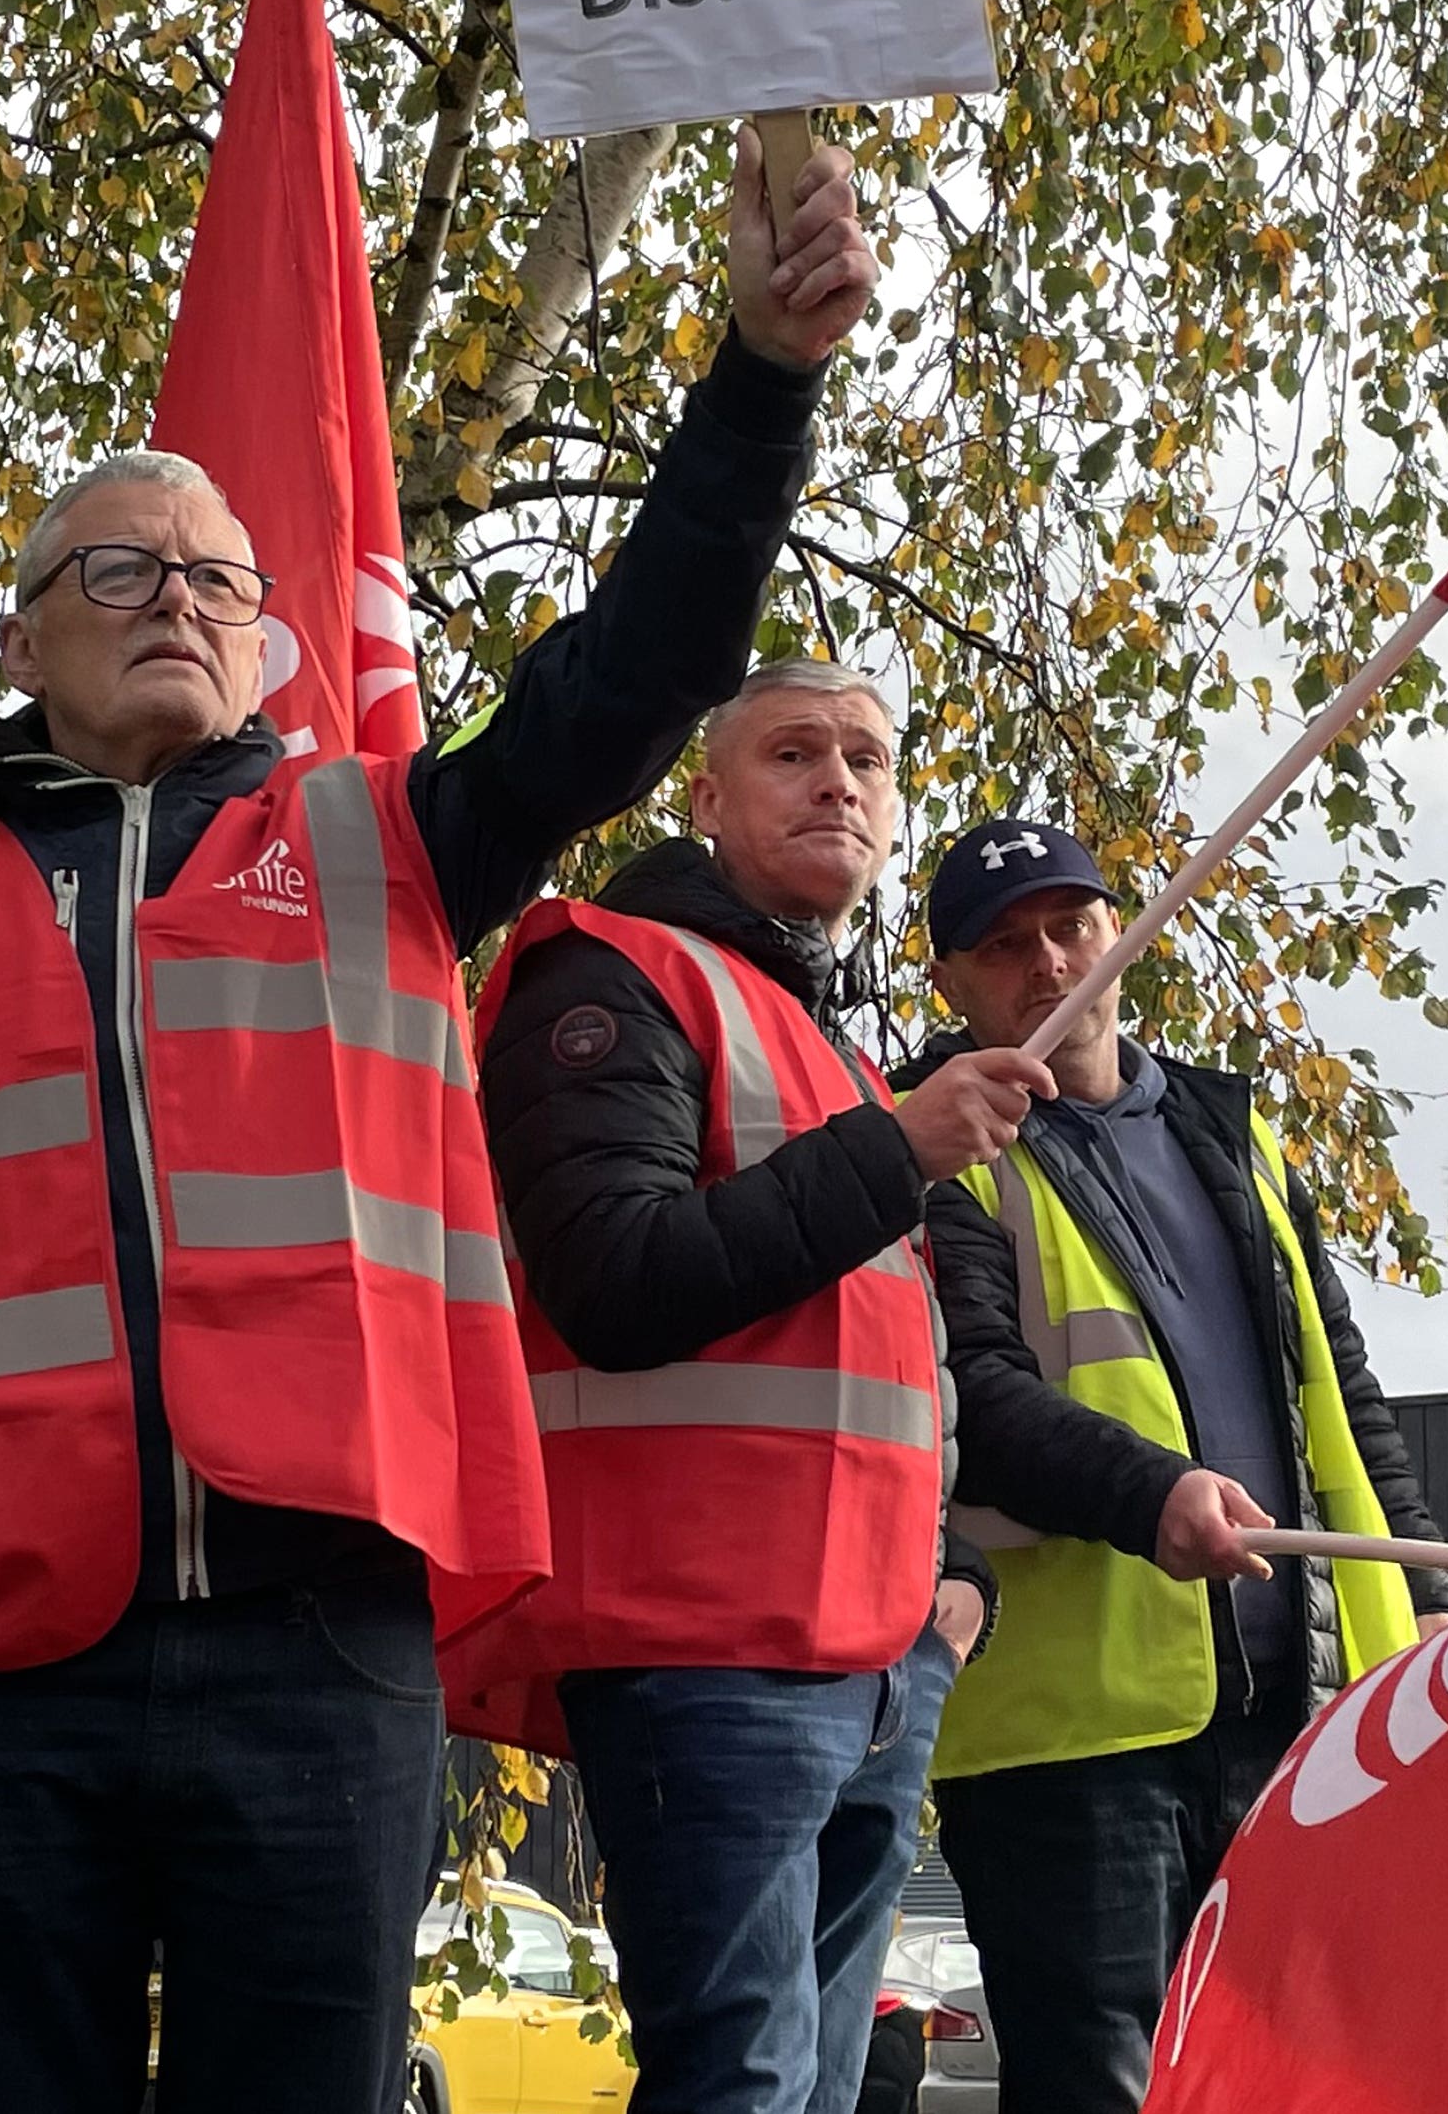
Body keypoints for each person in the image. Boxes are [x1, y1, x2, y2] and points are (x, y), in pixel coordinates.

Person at [0, 134, 880, 2113]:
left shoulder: (389, 842)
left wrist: (759, 371)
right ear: (18, 635)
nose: (175, 597)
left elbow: (642, 669)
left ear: (267, 638)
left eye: (217, 578)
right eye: (120, 567)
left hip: (320, 1652)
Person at [452, 661, 1056, 2113]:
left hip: (871, 1639)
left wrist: (948, 1568)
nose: (838, 779)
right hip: (703, 1639)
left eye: (867, 755)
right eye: (794, 752)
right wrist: (897, 1150)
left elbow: (887, 1355)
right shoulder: (607, 969)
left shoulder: (827, 1043)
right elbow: (613, 1273)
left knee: (809, 2084)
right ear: (706, 797)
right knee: (747, 2079)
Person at [910, 815, 1448, 2114]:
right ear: (951, 984)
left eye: (1071, 925)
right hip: (1067, 1742)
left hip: (1289, 1707)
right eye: (1005, 946)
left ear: (1121, 933)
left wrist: (1434, 1600)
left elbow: (1343, 1388)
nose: (1049, 963)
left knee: (1281, 2080)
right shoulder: (933, 1151)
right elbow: (970, 1397)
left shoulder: (1238, 1135)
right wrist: (1150, 1489)